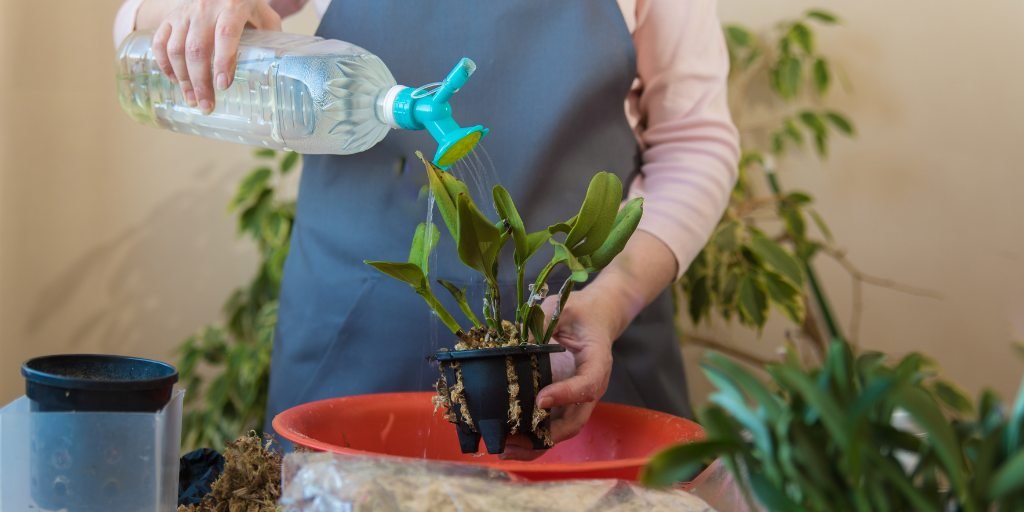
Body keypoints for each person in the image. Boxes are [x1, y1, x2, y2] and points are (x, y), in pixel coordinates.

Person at [113, 0, 739, 459]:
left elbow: (694, 141)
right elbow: (140, 26)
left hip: (580, 355)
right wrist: (191, 14)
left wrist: (609, 300)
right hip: (353, 350)